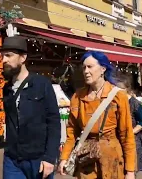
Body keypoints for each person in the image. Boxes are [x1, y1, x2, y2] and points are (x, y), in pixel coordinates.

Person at [58, 51, 136, 179]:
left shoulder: (118, 96)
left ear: (103, 69)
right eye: (84, 68)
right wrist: (64, 157)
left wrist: (130, 171)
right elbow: (72, 133)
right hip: (87, 159)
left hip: (112, 159)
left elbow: (126, 135)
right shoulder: (77, 97)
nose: (86, 71)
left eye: (90, 67)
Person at [0, 36, 61, 179]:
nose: (4, 60)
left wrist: (50, 157)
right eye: (3, 56)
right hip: (12, 160)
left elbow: (53, 121)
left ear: (23, 58)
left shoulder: (41, 84)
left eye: (9, 55)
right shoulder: (7, 89)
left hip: (38, 159)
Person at [116, 74, 142, 174]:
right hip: (118, 139)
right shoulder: (114, 102)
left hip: (133, 139)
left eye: (119, 88)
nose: (116, 91)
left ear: (126, 88)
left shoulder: (134, 103)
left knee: (130, 168)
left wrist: (131, 132)